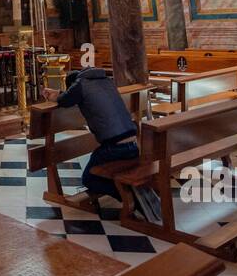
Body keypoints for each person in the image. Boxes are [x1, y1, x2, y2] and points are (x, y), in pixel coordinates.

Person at [44, 68, 160, 221]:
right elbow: (71, 96)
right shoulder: (107, 81)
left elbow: (65, 100)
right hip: (133, 144)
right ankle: (130, 192)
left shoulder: (81, 85)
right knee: (99, 165)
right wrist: (59, 92)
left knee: (88, 179)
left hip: (114, 147)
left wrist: (53, 96)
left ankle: (129, 198)